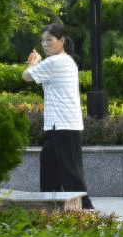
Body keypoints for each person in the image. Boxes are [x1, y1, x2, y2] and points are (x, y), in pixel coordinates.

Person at [23, 23, 93, 210]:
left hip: (63, 124)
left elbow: (26, 76)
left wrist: (32, 64)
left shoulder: (55, 62)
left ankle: (85, 208)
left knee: (70, 171)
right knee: (49, 160)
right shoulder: (65, 60)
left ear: (61, 41)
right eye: (43, 40)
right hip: (63, 124)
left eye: (49, 40)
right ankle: (52, 204)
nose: (44, 44)